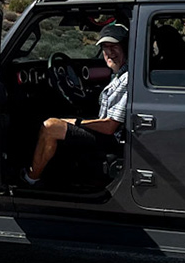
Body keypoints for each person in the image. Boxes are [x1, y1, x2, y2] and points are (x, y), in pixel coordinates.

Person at [24, 22, 129, 186]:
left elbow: (109, 126)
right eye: (105, 47)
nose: (109, 52)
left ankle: (30, 179)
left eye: (114, 46)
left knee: (50, 126)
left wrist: (77, 122)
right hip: (108, 134)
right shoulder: (118, 74)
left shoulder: (127, 79)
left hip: (112, 140)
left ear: (125, 47)